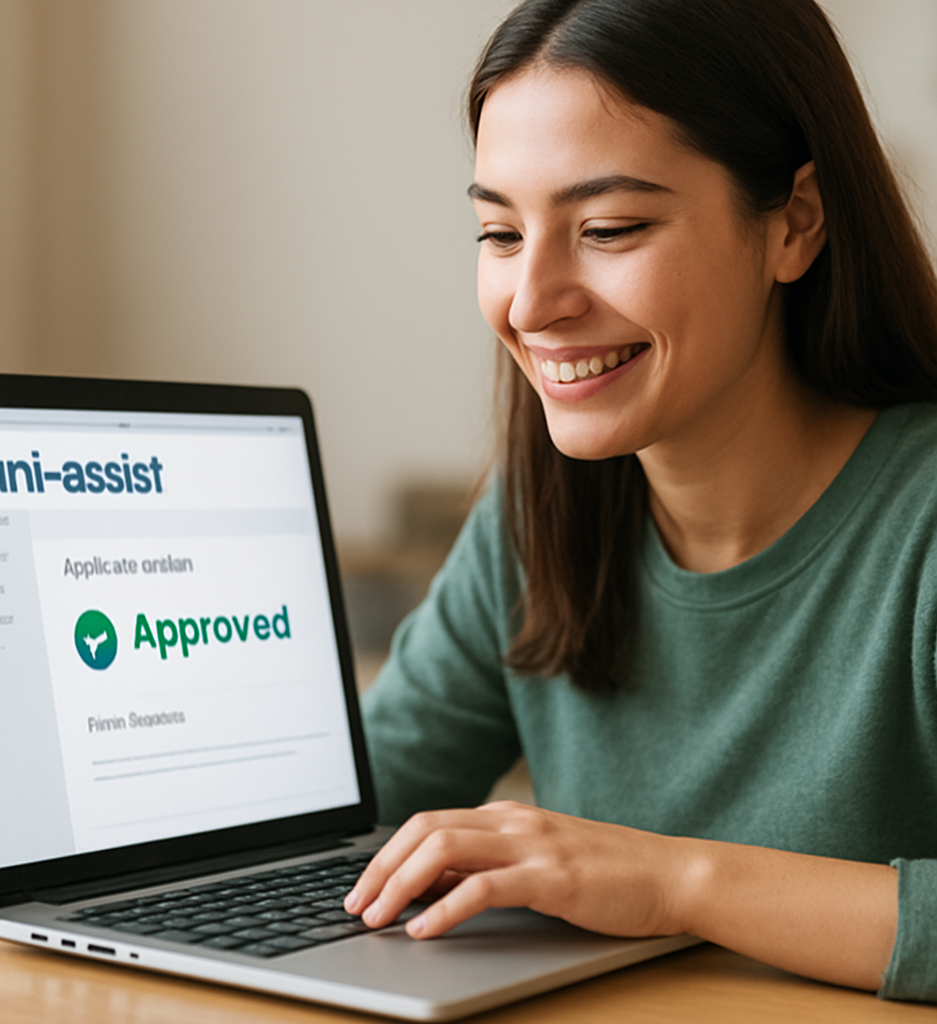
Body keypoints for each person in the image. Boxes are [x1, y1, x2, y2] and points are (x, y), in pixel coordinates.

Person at [344, 0, 937, 1003]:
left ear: (794, 221)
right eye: (498, 231)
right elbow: (359, 807)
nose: (532, 302)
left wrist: (673, 880)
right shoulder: (539, 514)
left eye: (609, 227)